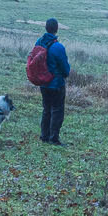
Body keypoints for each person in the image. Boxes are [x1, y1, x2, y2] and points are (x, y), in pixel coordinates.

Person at [33, 17, 71, 145]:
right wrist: (65, 75)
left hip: (43, 83)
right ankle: (53, 138)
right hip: (56, 84)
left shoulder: (39, 42)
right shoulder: (58, 47)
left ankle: (44, 136)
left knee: (46, 109)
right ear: (56, 29)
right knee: (57, 110)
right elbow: (65, 68)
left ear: (46, 28)